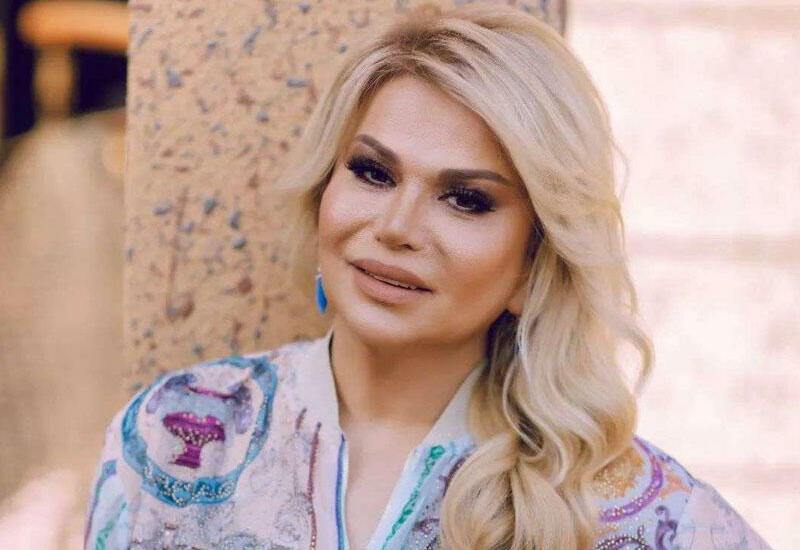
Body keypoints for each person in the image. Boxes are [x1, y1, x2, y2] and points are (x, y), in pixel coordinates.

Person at [83, 4, 773, 550]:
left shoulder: (639, 513)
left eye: (466, 199)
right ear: (323, 191)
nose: (397, 226)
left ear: (534, 263)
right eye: (372, 172)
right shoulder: (174, 433)